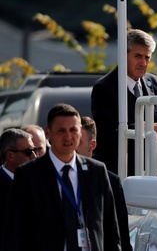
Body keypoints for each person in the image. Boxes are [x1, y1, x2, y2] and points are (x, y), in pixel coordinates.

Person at [1, 103, 120, 250]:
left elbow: (111, 230)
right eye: (61, 131)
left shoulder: (96, 171)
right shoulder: (28, 175)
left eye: (73, 130)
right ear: (48, 133)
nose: (68, 136)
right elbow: (13, 233)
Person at [91, 28, 157, 175]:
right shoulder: (104, 88)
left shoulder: (154, 82)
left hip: (154, 173)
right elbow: (108, 133)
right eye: (138, 56)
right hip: (121, 175)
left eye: (147, 58)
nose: (143, 63)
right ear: (124, 55)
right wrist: (146, 127)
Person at [78, 116, 132, 251]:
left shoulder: (110, 182)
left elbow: (121, 236)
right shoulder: (54, 178)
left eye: (78, 142)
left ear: (92, 145)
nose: (71, 146)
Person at [0, 128, 37, 239]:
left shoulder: (39, 182)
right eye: (28, 152)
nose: (34, 156)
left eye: (35, 150)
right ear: (10, 156)